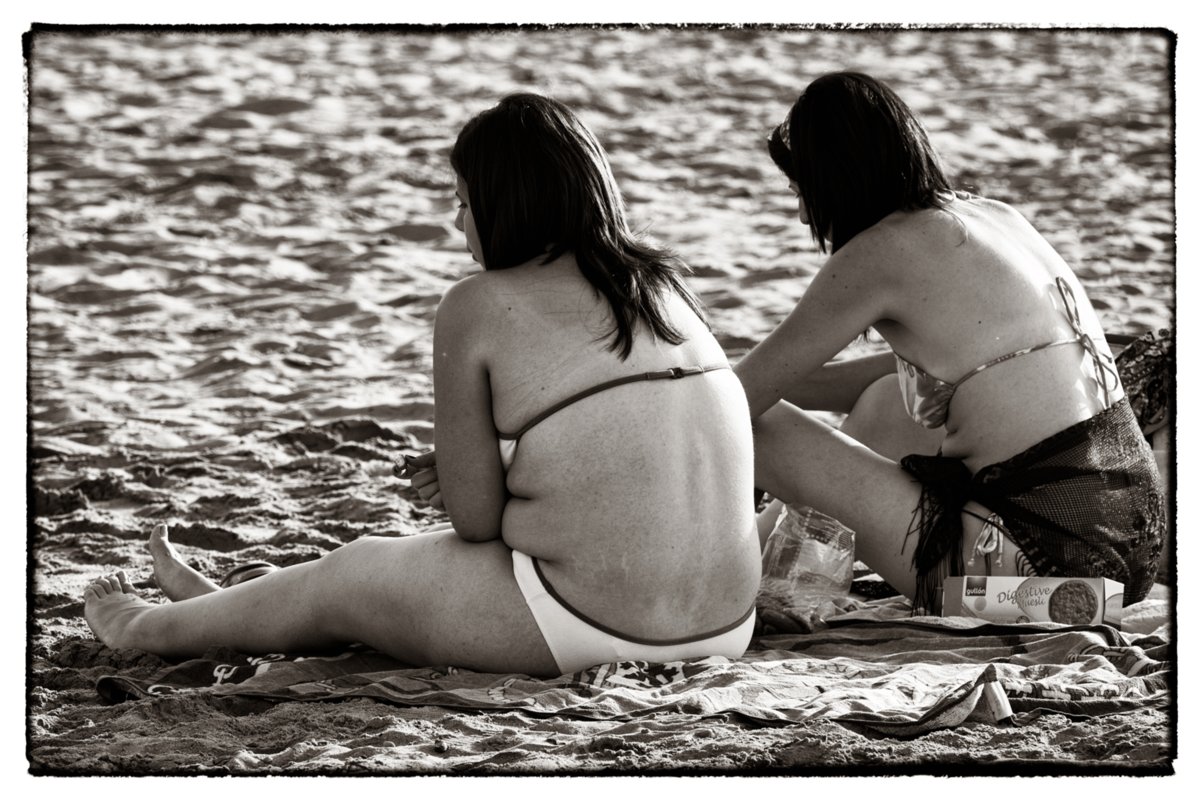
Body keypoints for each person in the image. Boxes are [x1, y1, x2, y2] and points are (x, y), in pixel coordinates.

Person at [83, 93, 761, 676]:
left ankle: (142, 626)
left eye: (462, 202)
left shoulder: (477, 304)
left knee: (350, 572)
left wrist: (473, 476)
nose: (455, 222)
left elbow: (473, 524)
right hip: (725, 625)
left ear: (505, 205)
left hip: (586, 623)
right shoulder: (664, 285)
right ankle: (218, 606)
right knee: (375, 578)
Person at [736, 72, 1164, 613]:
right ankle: (762, 557)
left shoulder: (879, 252)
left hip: (1031, 585)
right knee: (889, 402)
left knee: (761, 430)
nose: (803, 215)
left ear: (834, 179)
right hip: (1127, 567)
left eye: (802, 192)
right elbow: (888, 379)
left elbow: (730, 405)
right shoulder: (993, 218)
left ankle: (721, 576)